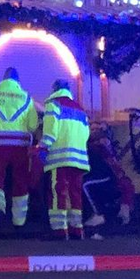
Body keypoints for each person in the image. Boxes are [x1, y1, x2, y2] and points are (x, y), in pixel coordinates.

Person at [0, 68, 39, 229]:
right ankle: (19, 221)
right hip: (20, 147)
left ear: (3, 79)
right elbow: (33, 126)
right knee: (21, 180)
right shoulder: (26, 97)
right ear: (18, 81)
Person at [41, 80, 91, 240]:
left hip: (59, 159)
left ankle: (59, 230)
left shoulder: (53, 105)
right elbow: (86, 135)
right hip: (79, 159)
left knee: (58, 193)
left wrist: (41, 148)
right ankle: (77, 229)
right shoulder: (81, 110)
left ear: (54, 89)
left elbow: (50, 133)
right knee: (75, 194)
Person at [82, 123, 134, 230]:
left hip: (105, 176)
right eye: (92, 129)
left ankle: (97, 214)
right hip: (105, 175)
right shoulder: (100, 145)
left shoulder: (100, 145)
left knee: (84, 185)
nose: (94, 131)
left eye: (97, 129)